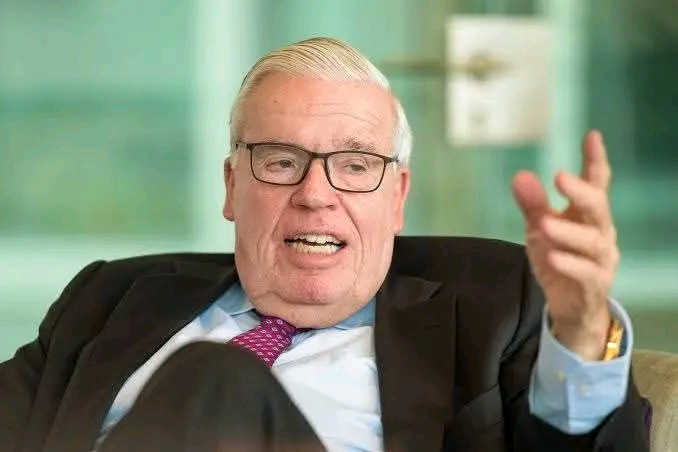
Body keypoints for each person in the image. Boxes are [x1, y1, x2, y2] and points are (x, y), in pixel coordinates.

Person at [0, 37, 648, 452]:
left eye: (356, 165)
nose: (315, 194)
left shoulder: (497, 302)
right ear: (231, 186)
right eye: (281, 161)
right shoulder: (111, 297)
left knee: (217, 380)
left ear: (398, 196)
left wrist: (583, 330)